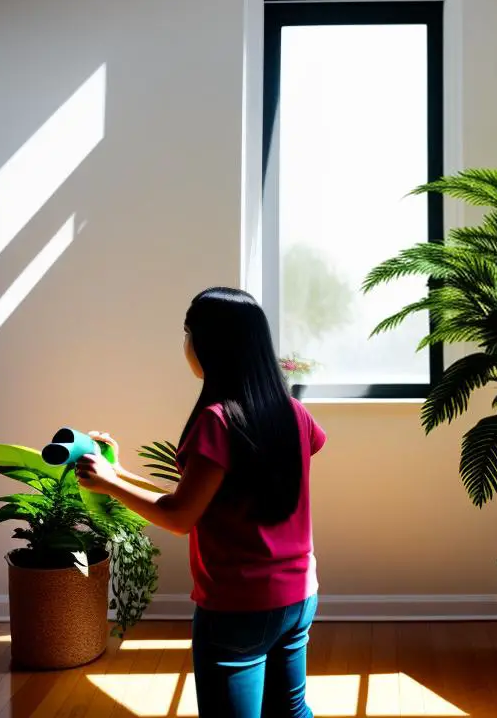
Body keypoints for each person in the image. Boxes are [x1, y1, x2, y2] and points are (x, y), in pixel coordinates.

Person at [77, 286, 325, 718]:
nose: (185, 344)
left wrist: (109, 486)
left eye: (187, 332)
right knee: (291, 711)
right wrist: (115, 473)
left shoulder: (217, 420)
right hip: (299, 593)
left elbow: (179, 516)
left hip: (238, 605)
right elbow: (198, 494)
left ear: (208, 344)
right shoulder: (291, 412)